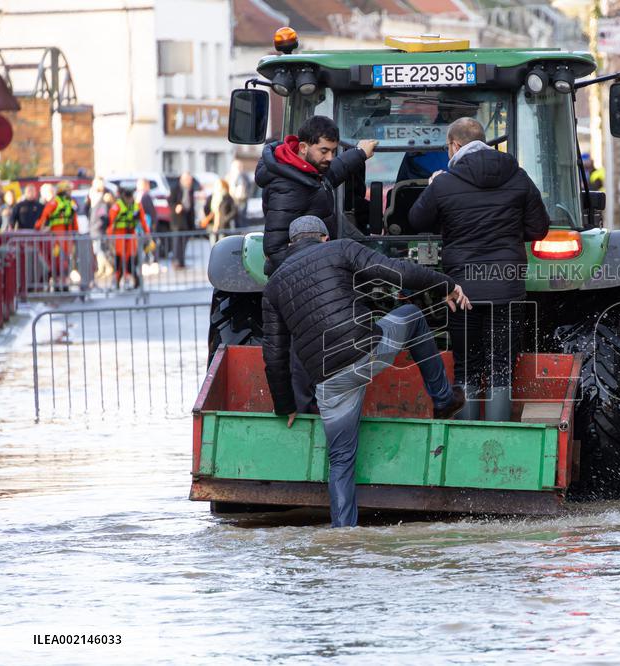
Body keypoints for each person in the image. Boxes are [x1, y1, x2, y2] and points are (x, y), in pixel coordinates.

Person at [261, 216, 470, 527]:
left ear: (292, 243)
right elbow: (398, 272)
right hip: (365, 352)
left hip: (328, 379)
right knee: (412, 315)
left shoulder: (274, 285)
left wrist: (285, 404)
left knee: (341, 461)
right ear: (323, 237)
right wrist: (447, 284)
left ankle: (343, 535)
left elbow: (275, 353)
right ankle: (442, 399)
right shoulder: (340, 249)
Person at [409, 117, 551, 421]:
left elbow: (416, 221)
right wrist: (509, 234)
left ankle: (467, 442)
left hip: (463, 290)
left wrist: (434, 189)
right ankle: (497, 440)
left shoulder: (445, 182)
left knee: (466, 365)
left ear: (454, 145)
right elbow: (539, 228)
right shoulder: (518, 176)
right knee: (501, 366)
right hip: (507, 287)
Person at [255, 115, 376, 276]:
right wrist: (322, 273)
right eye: (324, 151)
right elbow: (275, 250)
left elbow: (332, 173)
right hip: (306, 278)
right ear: (303, 147)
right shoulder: (287, 187)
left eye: (333, 151)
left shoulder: (306, 170)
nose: (330, 158)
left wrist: (359, 153)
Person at [35, 181, 79, 291]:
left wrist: (76, 234)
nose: (70, 192)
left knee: (65, 263)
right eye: (69, 190)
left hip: (67, 238)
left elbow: (73, 220)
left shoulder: (71, 203)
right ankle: (57, 285)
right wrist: (40, 228)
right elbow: (43, 219)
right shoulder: (53, 203)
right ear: (63, 191)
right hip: (55, 239)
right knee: (57, 263)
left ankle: (64, 285)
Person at [107, 187, 150, 289]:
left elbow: (143, 220)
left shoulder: (137, 205)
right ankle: (117, 281)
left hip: (131, 235)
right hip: (119, 236)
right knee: (119, 260)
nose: (130, 199)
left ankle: (135, 281)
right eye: (128, 197)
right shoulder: (117, 206)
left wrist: (147, 233)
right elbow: (111, 223)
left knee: (131, 259)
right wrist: (110, 237)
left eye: (131, 197)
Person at [168, 172, 198, 268]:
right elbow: (170, 202)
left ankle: (181, 262)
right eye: (187, 180)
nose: (189, 182)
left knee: (184, 242)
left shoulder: (191, 190)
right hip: (177, 220)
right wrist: (176, 207)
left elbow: (192, 207)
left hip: (187, 220)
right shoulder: (175, 189)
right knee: (177, 242)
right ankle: (176, 261)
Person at [201, 179, 237, 244]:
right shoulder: (211, 197)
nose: (217, 187)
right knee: (213, 245)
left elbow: (234, 211)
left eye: (219, 185)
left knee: (223, 246)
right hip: (212, 226)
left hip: (223, 227)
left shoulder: (227, 197)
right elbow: (206, 208)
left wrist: (225, 219)